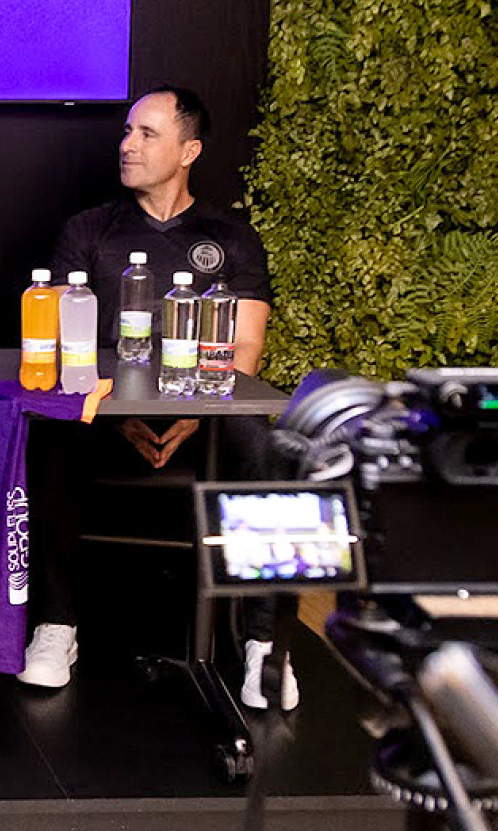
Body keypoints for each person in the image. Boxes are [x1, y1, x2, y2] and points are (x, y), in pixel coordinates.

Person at [21, 86, 297, 710]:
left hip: (199, 422)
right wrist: (120, 419)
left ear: (188, 151)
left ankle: (263, 645)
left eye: (147, 134)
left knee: (262, 441)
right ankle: (56, 625)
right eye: (127, 131)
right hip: (106, 420)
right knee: (50, 430)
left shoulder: (231, 235)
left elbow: (246, 350)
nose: (128, 145)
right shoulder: (88, 230)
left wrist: (196, 418)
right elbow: (62, 343)